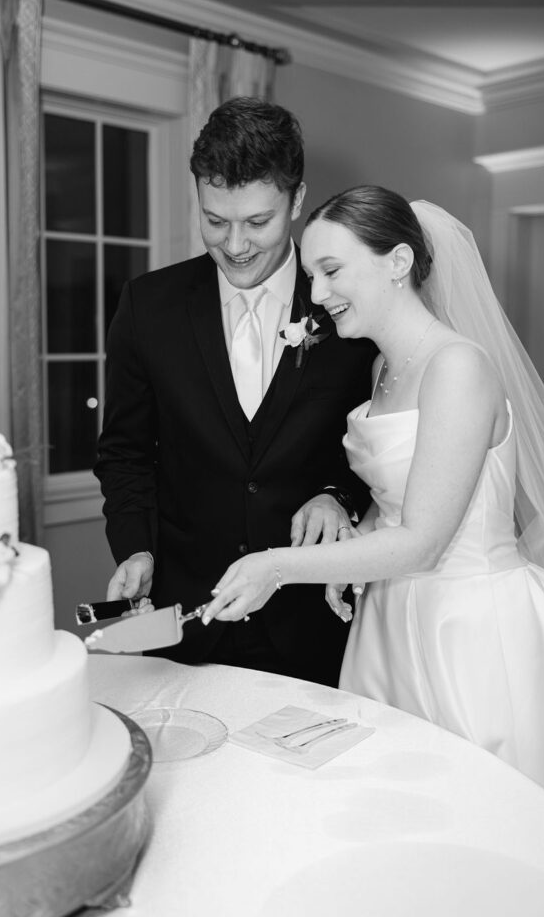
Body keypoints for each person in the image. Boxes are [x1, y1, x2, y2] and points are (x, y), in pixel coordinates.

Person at [202, 185, 544, 843]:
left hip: (471, 632)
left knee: (483, 830)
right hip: (390, 622)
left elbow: (423, 542)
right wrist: (351, 534)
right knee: (402, 824)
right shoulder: (387, 371)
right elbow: (401, 506)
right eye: (310, 274)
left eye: (331, 270)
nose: (318, 292)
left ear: (396, 262)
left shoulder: (458, 368)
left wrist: (276, 565)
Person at [94, 99, 376, 686]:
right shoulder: (148, 306)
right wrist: (136, 550)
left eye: (257, 222)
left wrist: (337, 496)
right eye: (215, 220)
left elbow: (374, 443)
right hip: (185, 620)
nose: (236, 244)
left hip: (313, 621)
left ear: (297, 202)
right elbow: (123, 451)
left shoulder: (348, 306)